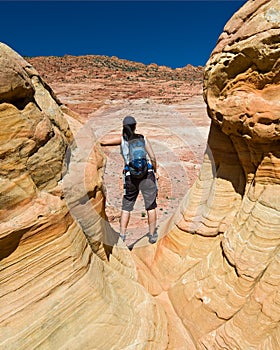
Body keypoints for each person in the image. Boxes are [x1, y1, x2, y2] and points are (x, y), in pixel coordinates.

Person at [100, 115, 158, 244]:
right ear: (135, 126)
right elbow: (153, 157)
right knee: (151, 206)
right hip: (147, 174)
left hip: (130, 177)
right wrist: (155, 170)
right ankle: (152, 234)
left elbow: (103, 142)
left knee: (127, 207)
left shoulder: (122, 140)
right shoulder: (142, 139)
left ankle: (122, 235)